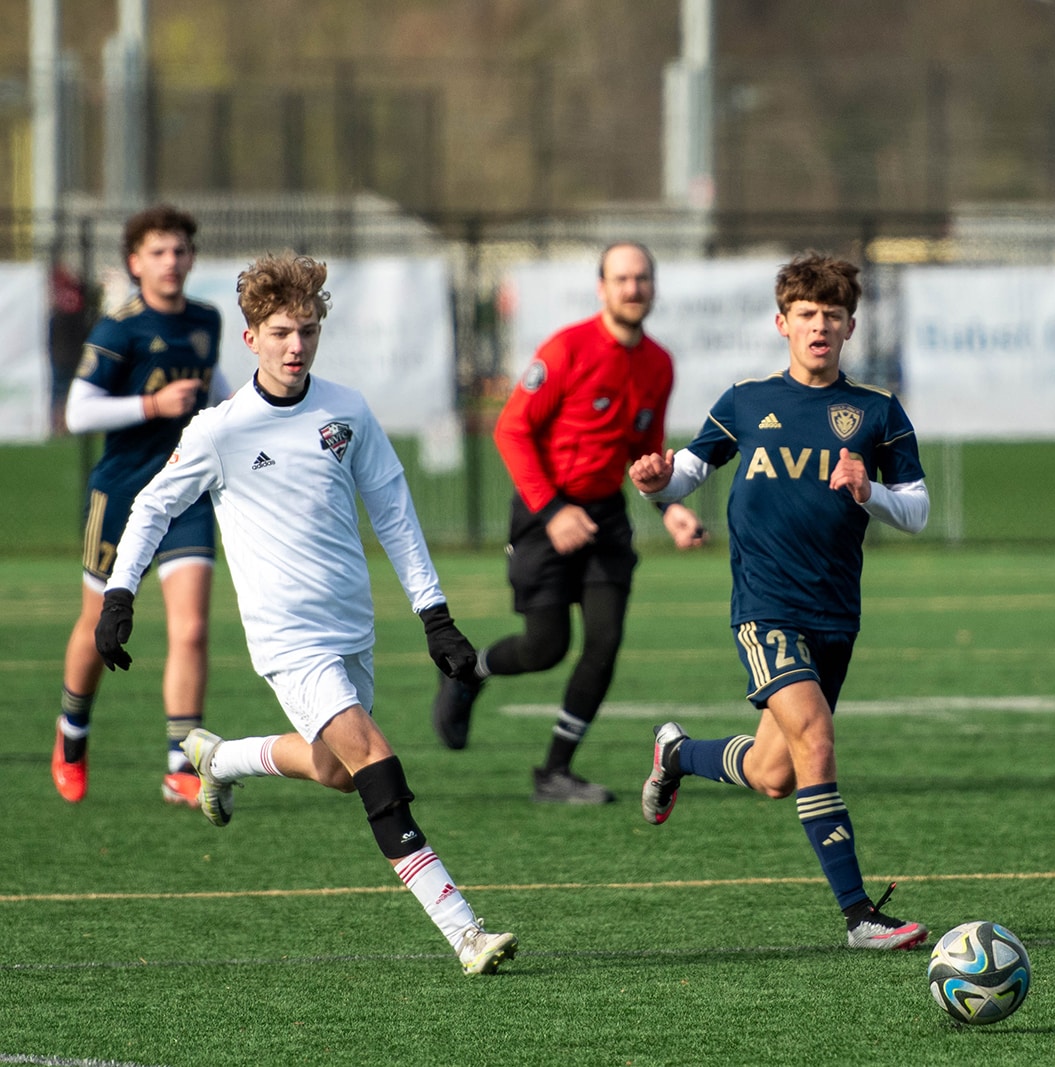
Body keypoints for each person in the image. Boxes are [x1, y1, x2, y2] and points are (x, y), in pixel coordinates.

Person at [93, 252, 516, 976]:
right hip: (288, 642)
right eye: (283, 331)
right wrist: (120, 592)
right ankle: (464, 930)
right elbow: (153, 505)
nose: (297, 346)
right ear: (251, 335)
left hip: (352, 628)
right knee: (377, 761)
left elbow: (393, 510)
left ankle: (218, 757)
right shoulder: (220, 430)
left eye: (310, 331)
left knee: (336, 769)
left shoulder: (346, 412)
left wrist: (434, 614)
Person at [630, 251, 932, 950]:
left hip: (836, 614)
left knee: (774, 773)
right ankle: (860, 916)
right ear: (782, 323)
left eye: (832, 315)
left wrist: (869, 492)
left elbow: (916, 510)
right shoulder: (746, 400)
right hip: (765, 607)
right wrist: (654, 481)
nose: (819, 326)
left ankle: (675, 753)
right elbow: (685, 477)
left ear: (851, 325)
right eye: (806, 315)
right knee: (817, 738)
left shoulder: (877, 412)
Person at [431, 241, 705, 805]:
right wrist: (554, 512)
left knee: (604, 642)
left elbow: (645, 454)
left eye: (642, 278)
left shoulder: (659, 364)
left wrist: (670, 505)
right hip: (542, 511)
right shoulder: (567, 349)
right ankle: (469, 674)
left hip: (606, 516)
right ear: (602, 288)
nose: (634, 288)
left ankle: (554, 772)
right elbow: (511, 429)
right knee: (545, 647)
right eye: (622, 278)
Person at [53, 205, 229, 808]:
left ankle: (181, 763)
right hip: (123, 493)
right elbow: (78, 412)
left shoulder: (207, 321)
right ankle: (72, 735)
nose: (171, 262)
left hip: (186, 493)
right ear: (135, 263)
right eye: (158, 252)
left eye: (180, 250)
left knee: (193, 628)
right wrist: (153, 407)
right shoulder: (118, 328)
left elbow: (219, 393)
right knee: (97, 626)